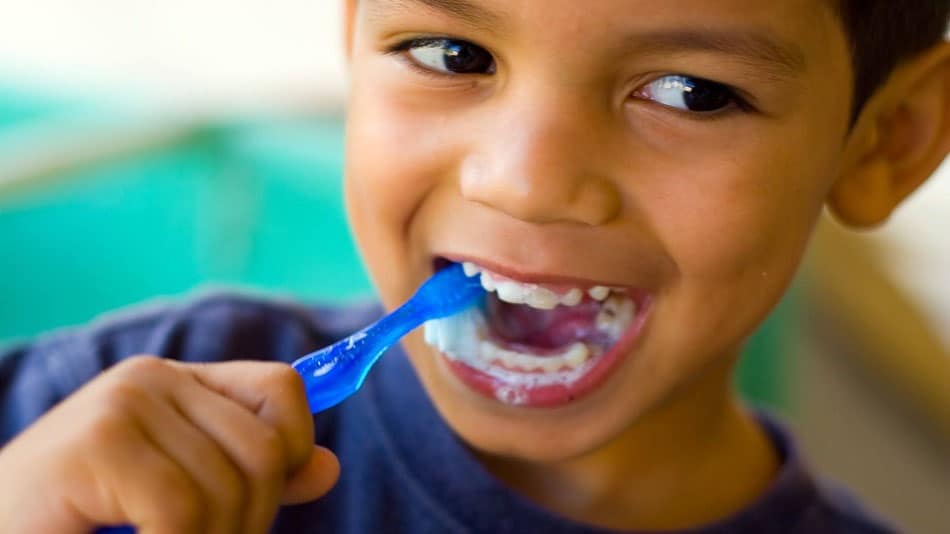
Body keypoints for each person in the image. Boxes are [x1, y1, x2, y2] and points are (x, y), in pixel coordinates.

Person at [1, 1, 948, 532]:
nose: (525, 181)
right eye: (451, 52)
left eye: (690, 94)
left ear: (885, 144)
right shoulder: (85, 423)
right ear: (354, 37)